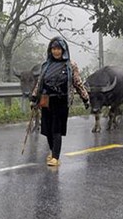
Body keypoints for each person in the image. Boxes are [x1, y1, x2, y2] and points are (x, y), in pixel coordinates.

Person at [30, 36, 89, 167]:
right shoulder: (46, 65)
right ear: (50, 50)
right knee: (47, 130)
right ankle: (52, 152)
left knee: (56, 129)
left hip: (61, 101)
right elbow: (40, 83)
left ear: (63, 50)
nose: (56, 51)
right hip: (46, 100)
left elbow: (77, 83)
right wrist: (34, 97)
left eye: (58, 49)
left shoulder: (70, 65)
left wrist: (85, 98)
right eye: (53, 49)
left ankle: (56, 157)